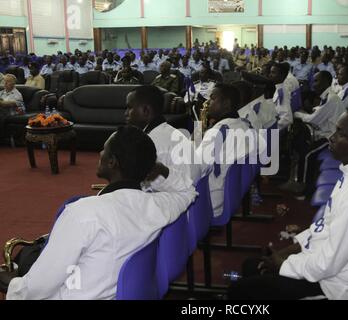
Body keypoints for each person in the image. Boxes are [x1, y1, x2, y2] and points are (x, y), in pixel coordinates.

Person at [1, 126, 197, 300]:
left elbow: (39, 286)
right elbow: (188, 191)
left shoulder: (83, 213)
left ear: (112, 162)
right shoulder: (158, 206)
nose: (99, 152)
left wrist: (14, 286)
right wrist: (156, 167)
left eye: (104, 149)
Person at [228, 107, 348, 300]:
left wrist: (282, 265)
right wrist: (284, 253)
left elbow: (327, 264)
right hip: (331, 272)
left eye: (340, 133)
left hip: (338, 289)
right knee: (253, 266)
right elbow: (324, 227)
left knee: (242, 290)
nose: (331, 137)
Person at [195, 83, 254, 217]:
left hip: (211, 202)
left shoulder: (218, 132)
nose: (208, 102)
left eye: (213, 98)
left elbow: (195, 170)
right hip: (231, 196)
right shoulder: (245, 125)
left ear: (226, 104)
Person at [125, 86, 201, 183]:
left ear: (145, 111)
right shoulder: (168, 132)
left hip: (181, 195)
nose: (126, 113)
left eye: (129, 108)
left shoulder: (152, 143)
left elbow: (141, 186)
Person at [288, 71, 345, 193]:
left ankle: (303, 187)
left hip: (331, 137)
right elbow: (320, 112)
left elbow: (314, 119)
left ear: (325, 82)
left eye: (316, 81)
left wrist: (297, 114)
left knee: (308, 154)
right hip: (325, 133)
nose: (313, 84)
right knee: (301, 144)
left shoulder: (332, 99)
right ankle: (297, 179)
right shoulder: (327, 97)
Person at [269, 63, 293, 131]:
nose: (270, 75)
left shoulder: (282, 92)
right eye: (270, 72)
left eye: (273, 73)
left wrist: (272, 129)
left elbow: (287, 118)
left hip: (276, 132)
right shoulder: (278, 88)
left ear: (282, 76)